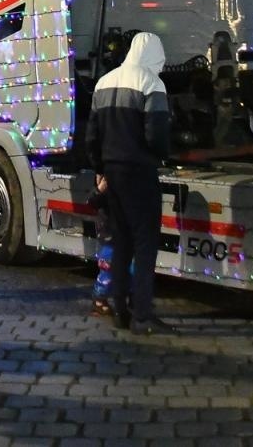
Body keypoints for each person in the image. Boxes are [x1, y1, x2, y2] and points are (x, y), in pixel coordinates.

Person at [85, 30, 171, 334]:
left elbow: (92, 135)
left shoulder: (104, 82)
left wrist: (99, 167)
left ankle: (119, 307)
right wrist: (164, 154)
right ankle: (143, 314)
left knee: (120, 241)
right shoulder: (151, 83)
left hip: (113, 172)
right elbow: (156, 134)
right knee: (145, 244)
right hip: (140, 173)